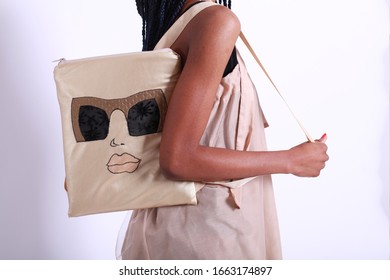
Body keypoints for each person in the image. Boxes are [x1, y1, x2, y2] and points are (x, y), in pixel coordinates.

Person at [118, 0, 329, 260]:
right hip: (211, 231)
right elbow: (178, 159)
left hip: (170, 224)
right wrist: (291, 160)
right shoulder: (215, 22)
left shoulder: (175, 24)